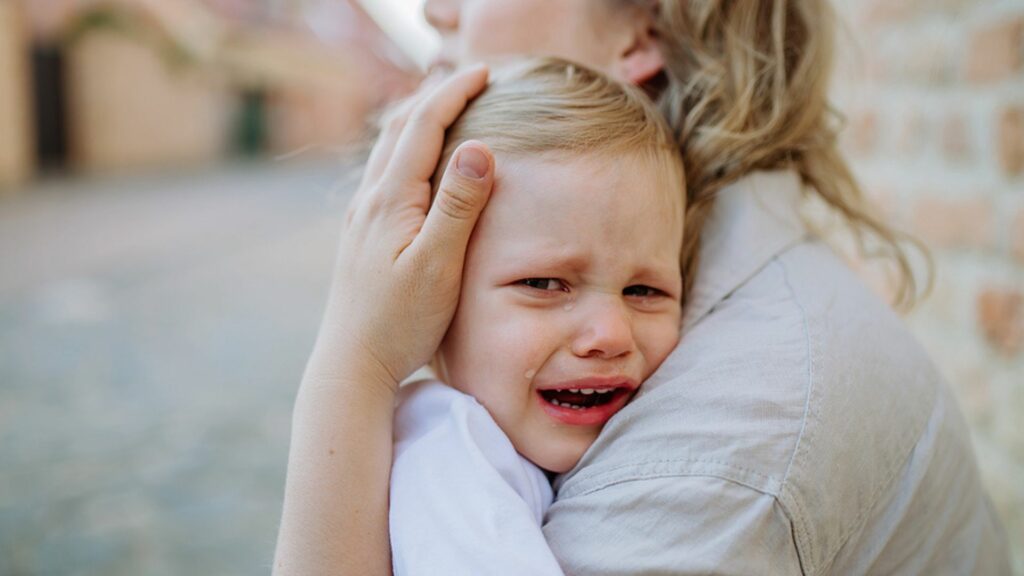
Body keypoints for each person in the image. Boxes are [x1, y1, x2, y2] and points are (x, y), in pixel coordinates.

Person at [274, 1, 1011, 574]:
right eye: (541, 282)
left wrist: (357, 358)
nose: (437, 11)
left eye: (647, 292)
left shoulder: (720, 445)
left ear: (641, 30)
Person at [389, 57, 684, 575]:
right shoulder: (450, 460)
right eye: (544, 284)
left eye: (644, 290)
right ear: (436, 302)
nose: (610, 335)